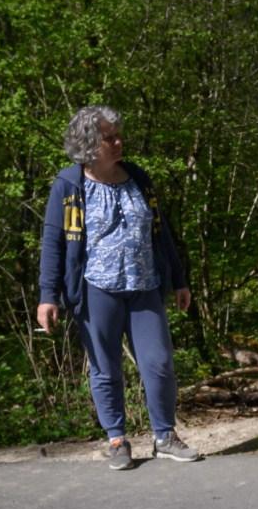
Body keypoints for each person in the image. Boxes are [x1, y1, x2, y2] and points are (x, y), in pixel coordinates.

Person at [37, 105, 200, 469]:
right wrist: (48, 296)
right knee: (105, 368)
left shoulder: (139, 178)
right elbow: (53, 242)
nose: (117, 142)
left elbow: (162, 233)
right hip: (96, 289)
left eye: (117, 135)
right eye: (108, 137)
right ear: (88, 144)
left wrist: (179, 279)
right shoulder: (69, 185)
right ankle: (116, 439)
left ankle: (165, 436)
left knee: (158, 363)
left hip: (144, 285)